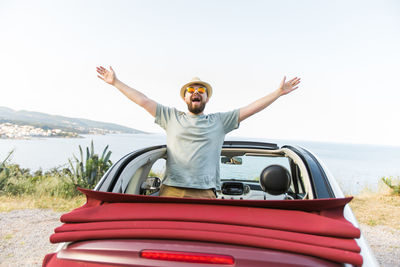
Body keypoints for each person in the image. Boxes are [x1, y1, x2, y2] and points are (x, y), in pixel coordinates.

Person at [96, 66, 300, 199]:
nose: (196, 93)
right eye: (191, 90)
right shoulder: (170, 117)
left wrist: (277, 93)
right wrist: (116, 82)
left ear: (206, 99)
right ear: (185, 97)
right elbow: (143, 100)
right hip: (171, 191)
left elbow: (250, 108)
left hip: (206, 194)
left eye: (201, 91)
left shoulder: (220, 121)